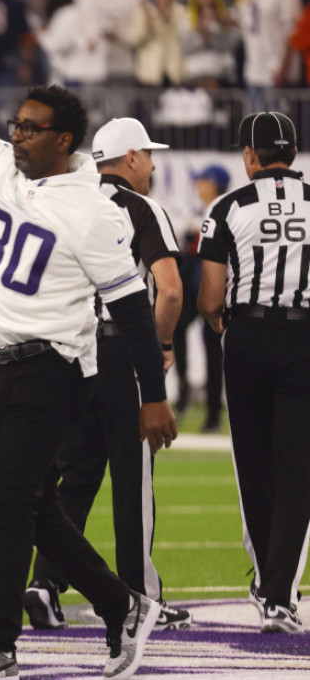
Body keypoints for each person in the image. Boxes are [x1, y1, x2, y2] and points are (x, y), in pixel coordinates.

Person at [0, 0, 176, 680]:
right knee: (37, 505)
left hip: (55, 369)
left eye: (29, 127)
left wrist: (152, 393)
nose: (14, 134)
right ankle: (119, 604)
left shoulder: (94, 209)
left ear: (67, 140)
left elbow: (134, 310)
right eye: (15, 124)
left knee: (8, 502)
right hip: (4, 368)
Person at [26, 117, 191, 635]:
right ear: (131, 158)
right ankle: (141, 597)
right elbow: (168, 290)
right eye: (148, 154)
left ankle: (45, 583)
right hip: (120, 353)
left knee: (74, 476)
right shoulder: (142, 209)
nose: (154, 164)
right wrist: (160, 347)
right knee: (132, 478)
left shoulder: (67, 201)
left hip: (68, 351)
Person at [197, 110, 309, 635]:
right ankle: (281, 593)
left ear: (249, 156)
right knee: (298, 470)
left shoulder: (226, 207)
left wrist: (225, 324)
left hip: (248, 338)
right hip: (305, 338)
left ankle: (269, 585)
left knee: (255, 465)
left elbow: (211, 298)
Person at [172, 164, 228, 432]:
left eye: (203, 180)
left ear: (214, 183)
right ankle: (184, 391)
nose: (198, 185)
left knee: (213, 348)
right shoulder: (195, 212)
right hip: (192, 288)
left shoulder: (225, 211)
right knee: (177, 330)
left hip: (214, 289)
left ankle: (214, 411)